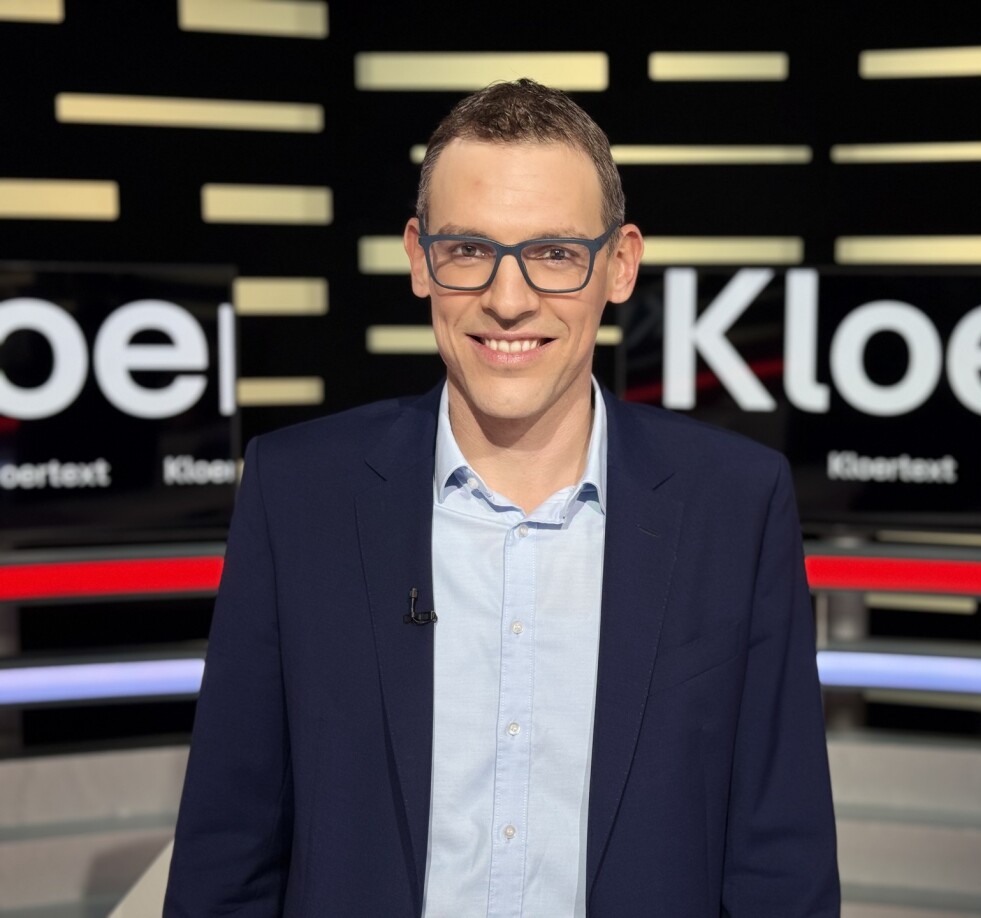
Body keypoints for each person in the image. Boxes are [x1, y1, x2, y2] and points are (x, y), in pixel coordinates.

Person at [165, 78, 839, 917]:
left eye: (554, 253)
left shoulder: (736, 504)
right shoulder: (297, 494)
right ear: (420, 259)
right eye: (468, 249)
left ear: (619, 265)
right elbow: (227, 850)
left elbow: (781, 861)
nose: (508, 300)